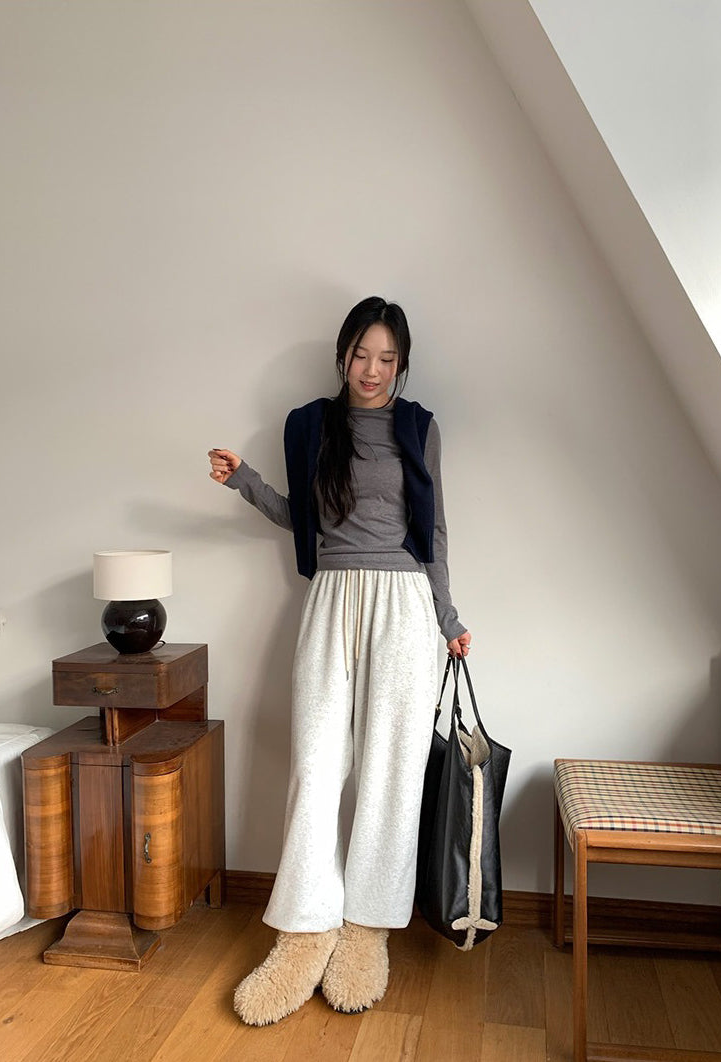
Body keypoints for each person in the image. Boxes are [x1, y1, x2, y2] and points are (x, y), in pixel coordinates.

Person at [208, 295, 470, 1026]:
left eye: (387, 358)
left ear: (402, 364)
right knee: (317, 767)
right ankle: (305, 929)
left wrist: (447, 618)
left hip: (405, 605)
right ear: (343, 354)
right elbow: (303, 515)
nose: (372, 370)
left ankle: (367, 927)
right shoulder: (310, 425)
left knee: (391, 772)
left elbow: (434, 531)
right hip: (331, 598)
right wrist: (245, 480)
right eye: (361, 354)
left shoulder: (419, 427)